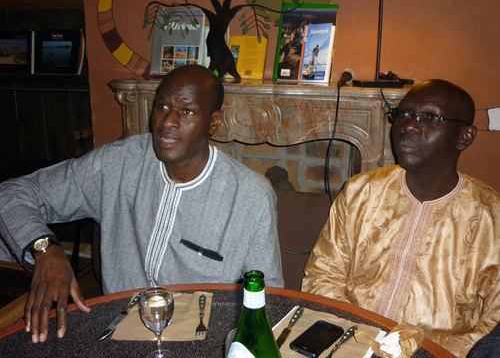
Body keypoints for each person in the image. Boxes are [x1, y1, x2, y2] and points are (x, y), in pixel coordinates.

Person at [0, 64, 283, 343]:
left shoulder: (250, 197)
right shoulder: (116, 164)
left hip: (202, 340)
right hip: (117, 332)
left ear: (214, 122)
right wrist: (45, 249)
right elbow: (13, 193)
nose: (167, 122)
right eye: (161, 106)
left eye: (187, 111)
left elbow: (269, 299)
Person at [301, 79, 500, 358]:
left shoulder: (491, 217)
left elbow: (494, 325)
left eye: (430, 117)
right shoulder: (362, 192)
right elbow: (323, 275)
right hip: (348, 343)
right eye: (403, 114)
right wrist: (355, 340)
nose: (409, 126)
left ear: (464, 136)